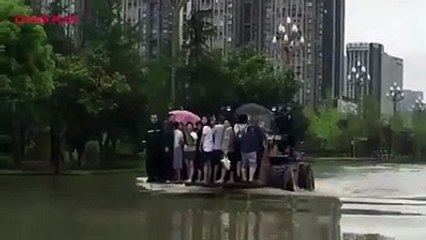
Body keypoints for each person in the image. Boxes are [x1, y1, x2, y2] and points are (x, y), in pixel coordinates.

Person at [239, 116, 265, 182]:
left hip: (243, 149)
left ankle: (244, 178)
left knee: (244, 165)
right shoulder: (259, 130)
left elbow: (241, 138)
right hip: (253, 149)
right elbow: (262, 140)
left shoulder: (246, 129)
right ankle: (251, 179)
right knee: (252, 164)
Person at [145, 115, 163, 182]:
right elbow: (145, 138)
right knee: (149, 163)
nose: (154, 119)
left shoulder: (159, 127)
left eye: (155, 118)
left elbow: (162, 137)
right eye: (152, 118)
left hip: (158, 149)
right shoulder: (148, 127)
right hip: (150, 149)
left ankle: (157, 176)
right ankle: (150, 176)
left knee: (157, 163)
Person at [233, 115, 249, 181]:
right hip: (245, 144)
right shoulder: (248, 126)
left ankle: (238, 174)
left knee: (238, 160)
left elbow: (235, 133)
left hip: (237, 144)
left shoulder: (236, 126)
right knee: (244, 160)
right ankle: (244, 175)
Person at [211, 116, 226, 183]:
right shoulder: (225, 127)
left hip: (216, 147)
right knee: (223, 164)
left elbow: (211, 133)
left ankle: (214, 178)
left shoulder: (216, 127)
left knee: (216, 164)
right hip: (223, 148)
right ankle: (222, 178)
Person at [200, 116, 214, 184]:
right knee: (209, 164)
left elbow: (203, 136)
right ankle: (208, 178)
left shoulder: (205, 128)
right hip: (211, 147)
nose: (202, 120)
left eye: (204, 119)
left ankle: (205, 179)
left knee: (205, 164)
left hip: (206, 147)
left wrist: (200, 144)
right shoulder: (210, 128)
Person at [162, 113, 176, 181]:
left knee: (170, 160)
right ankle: (167, 176)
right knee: (168, 161)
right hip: (168, 145)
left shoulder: (172, 125)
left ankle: (169, 176)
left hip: (171, 145)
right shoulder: (167, 125)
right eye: (172, 118)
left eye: (174, 118)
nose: (173, 119)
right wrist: (166, 145)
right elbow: (166, 136)